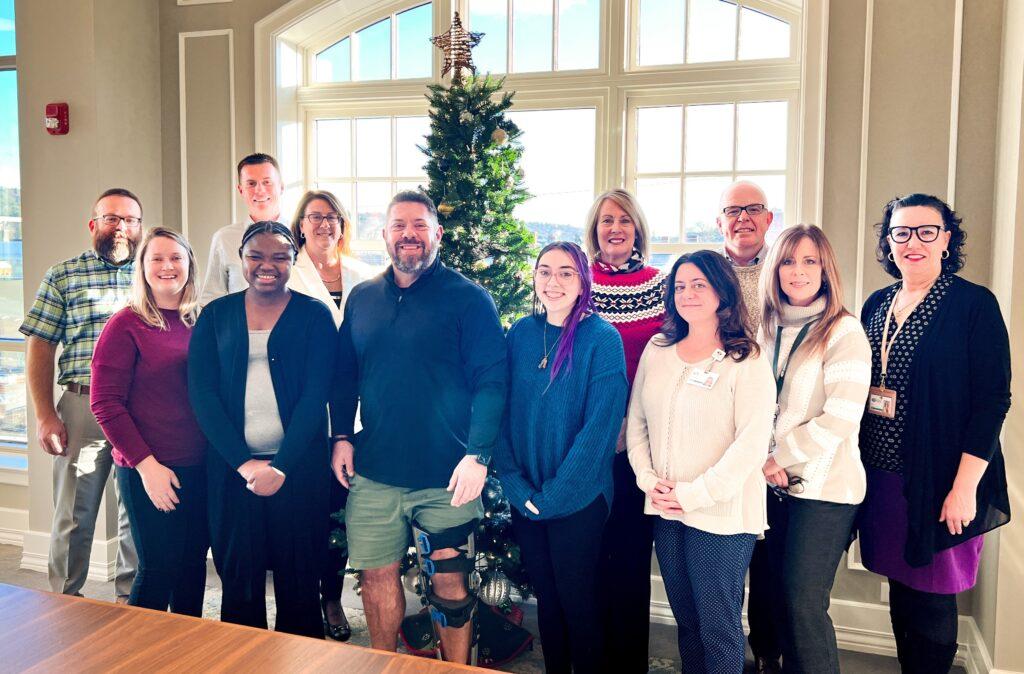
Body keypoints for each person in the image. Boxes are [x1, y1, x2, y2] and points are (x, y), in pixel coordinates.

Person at [331, 190, 506, 663]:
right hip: (375, 473)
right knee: (376, 578)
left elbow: (492, 382)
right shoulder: (363, 298)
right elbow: (345, 375)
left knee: (451, 582)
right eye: (399, 225)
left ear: (437, 234)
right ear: (385, 235)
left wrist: (479, 456)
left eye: (419, 225)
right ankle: (383, 666)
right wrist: (342, 437)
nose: (409, 234)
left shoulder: (470, 300)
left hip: (448, 476)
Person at [858, 194, 1011, 673]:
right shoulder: (877, 304)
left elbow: (992, 403)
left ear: (946, 239)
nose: (913, 242)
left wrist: (963, 489)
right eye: (901, 232)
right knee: (902, 592)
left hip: (945, 479)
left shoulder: (973, 305)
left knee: (932, 600)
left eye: (927, 231)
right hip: (884, 477)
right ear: (889, 243)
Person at [627, 250, 775, 674]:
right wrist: (647, 479)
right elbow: (637, 422)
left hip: (721, 515)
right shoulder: (659, 348)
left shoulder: (746, 358)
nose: (687, 294)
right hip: (665, 508)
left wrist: (694, 494)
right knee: (687, 623)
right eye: (679, 286)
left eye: (698, 285)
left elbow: (751, 444)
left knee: (719, 628)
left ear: (722, 291)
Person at [188, 221, 337, 638]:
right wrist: (245, 465)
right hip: (233, 475)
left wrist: (281, 467)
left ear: (293, 261)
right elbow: (203, 395)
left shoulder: (314, 315)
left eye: (279, 257)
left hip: (299, 472)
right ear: (241, 260)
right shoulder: (215, 316)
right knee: (240, 585)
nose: (266, 265)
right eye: (256, 256)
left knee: (299, 584)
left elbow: (315, 397)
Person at [494, 241, 627, 674]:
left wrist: (552, 497)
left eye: (566, 272)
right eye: (545, 271)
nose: (554, 281)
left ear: (583, 280)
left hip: (581, 498)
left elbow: (599, 431)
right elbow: (501, 411)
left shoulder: (602, 339)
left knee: (577, 600)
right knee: (547, 599)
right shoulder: (520, 334)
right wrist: (516, 486)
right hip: (525, 496)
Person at [745, 225, 872, 674]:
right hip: (769, 484)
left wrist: (779, 457)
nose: (797, 271)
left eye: (809, 261)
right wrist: (764, 460)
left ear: (825, 269)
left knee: (802, 604)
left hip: (825, 492)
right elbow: (751, 404)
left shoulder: (843, 331)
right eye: (787, 261)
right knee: (773, 598)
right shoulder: (764, 326)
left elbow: (841, 417)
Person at [20, 188, 140, 601]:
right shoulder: (64, 275)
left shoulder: (154, 272)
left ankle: (134, 604)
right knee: (74, 514)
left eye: (129, 219)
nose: (121, 227)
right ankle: (65, 603)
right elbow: (40, 344)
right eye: (111, 218)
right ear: (93, 226)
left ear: (140, 227)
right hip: (83, 406)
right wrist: (44, 415)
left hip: (142, 408)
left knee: (138, 514)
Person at [90, 227, 209, 615]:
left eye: (176, 257)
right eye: (156, 258)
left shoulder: (202, 321)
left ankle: (186, 656)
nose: (167, 266)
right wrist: (147, 466)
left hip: (202, 467)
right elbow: (105, 403)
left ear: (190, 264)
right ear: (141, 267)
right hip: (151, 469)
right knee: (159, 570)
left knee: (193, 571)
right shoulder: (125, 325)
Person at [582, 189, 665, 672]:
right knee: (589, 555)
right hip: (586, 440)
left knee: (632, 557)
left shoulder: (661, 284)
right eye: (606, 220)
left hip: (642, 443)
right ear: (594, 228)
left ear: (637, 230)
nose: (615, 228)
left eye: (625, 221)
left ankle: (627, 662)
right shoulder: (574, 280)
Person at [287, 189, 376, 640]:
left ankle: (332, 598)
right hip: (302, 419)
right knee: (309, 514)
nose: (324, 224)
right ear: (300, 224)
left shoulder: (366, 276)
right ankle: (303, 602)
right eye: (314, 216)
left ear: (343, 225)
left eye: (332, 217)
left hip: (357, 418)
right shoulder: (286, 275)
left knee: (341, 513)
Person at [200, 153, 285, 305]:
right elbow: (210, 299)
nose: (259, 190)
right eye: (251, 184)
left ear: (281, 187)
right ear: (241, 191)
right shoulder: (224, 239)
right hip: (240, 328)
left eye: (267, 182)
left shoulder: (301, 235)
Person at [716, 180, 773, 331]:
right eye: (733, 211)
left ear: (769, 219)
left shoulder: (786, 267)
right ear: (719, 224)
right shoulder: (702, 270)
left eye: (754, 209)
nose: (743, 217)